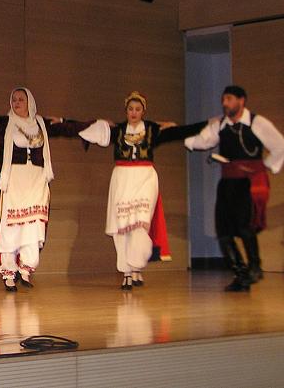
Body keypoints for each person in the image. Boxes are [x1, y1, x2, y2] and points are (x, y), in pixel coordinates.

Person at [80, 91, 205, 290]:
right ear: (126, 111)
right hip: (122, 178)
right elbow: (86, 130)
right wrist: (90, 122)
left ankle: (136, 265)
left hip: (145, 178)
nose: (134, 112)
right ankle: (127, 272)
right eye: (130, 109)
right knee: (122, 226)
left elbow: (180, 132)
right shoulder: (118, 130)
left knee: (140, 223)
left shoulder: (153, 130)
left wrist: (208, 124)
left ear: (143, 111)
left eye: (138, 109)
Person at [0, 87, 95, 291]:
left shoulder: (42, 124)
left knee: (33, 225)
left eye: (21, 99)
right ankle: (9, 272)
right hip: (13, 180)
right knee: (11, 226)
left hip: (36, 180)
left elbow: (67, 128)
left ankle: (26, 270)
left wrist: (93, 127)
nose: (17, 103)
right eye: (14, 99)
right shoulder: (4, 123)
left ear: (30, 102)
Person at [185, 85, 284, 292]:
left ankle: (255, 267)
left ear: (241, 100)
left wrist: (266, 166)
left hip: (248, 184)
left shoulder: (257, 122)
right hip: (227, 183)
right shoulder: (219, 125)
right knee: (223, 230)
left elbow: (280, 145)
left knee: (244, 226)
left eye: (228, 99)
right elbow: (203, 140)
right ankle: (241, 274)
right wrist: (185, 138)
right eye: (223, 99)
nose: (224, 103)